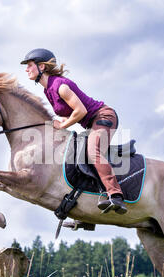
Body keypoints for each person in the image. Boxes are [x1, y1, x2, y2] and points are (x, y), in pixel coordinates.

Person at [20, 48, 127, 214]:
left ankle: (115, 195)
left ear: (41, 67)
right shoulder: (47, 90)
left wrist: (63, 125)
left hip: (104, 116)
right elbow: (72, 112)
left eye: (29, 65)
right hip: (91, 123)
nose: (26, 69)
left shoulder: (60, 86)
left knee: (92, 151)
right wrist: (61, 122)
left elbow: (81, 111)